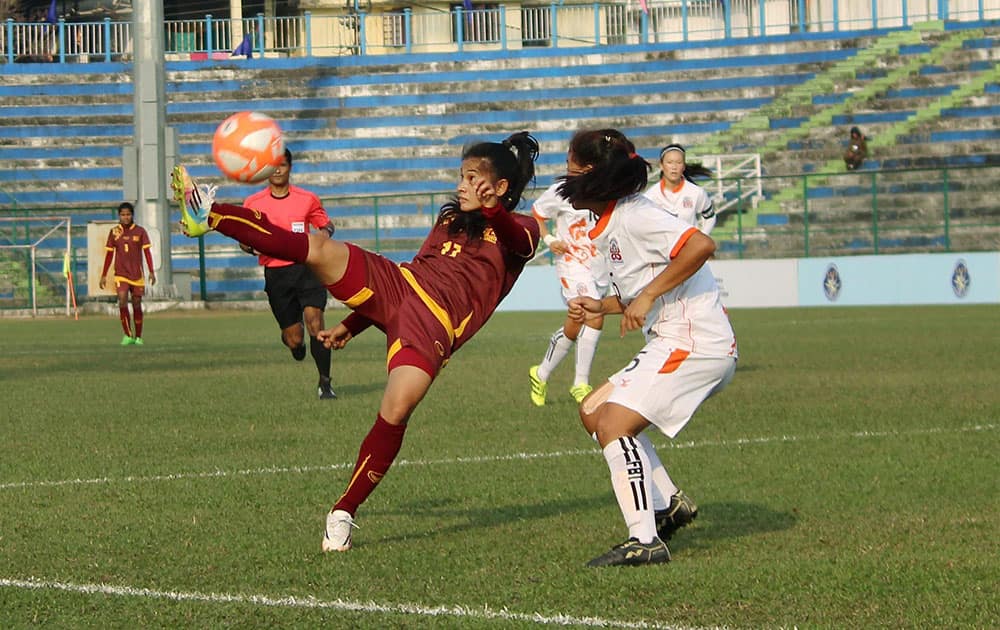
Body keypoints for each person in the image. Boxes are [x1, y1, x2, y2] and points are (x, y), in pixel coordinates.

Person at [171, 131, 540, 553]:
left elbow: (517, 237)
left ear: (501, 187)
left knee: (396, 409)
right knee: (317, 247)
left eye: (471, 178)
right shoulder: (450, 219)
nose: (460, 186)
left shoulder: (522, 233)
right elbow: (421, 269)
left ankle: (343, 510)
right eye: (461, 176)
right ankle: (210, 215)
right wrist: (354, 322)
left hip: (433, 327)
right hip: (399, 283)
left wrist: (492, 208)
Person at [558, 129, 738, 567]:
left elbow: (701, 244)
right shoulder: (606, 224)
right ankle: (669, 504)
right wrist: (600, 304)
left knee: (615, 424)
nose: (565, 174)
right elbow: (634, 290)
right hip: (670, 339)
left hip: (696, 342)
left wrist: (648, 296)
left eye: (570, 164)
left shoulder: (636, 215)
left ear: (592, 174)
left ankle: (645, 540)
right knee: (593, 412)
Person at [241, 148, 338, 400]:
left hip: (308, 267)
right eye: (272, 165)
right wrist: (247, 244)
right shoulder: (253, 204)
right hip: (276, 275)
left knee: (315, 323)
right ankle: (296, 346)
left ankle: (325, 383)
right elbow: (244, 237)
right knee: (294, 339)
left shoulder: (307, 199)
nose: (277, 170)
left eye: (282, 164)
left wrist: (322, 236)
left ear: (289, 167)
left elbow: (325, 224)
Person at [528, 181, 608, 405]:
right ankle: (581, 384)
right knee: (594, 315)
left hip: (600, 265)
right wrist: (550, 239)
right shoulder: (561, 189)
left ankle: (541, 373)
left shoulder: (608, 184)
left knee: (576, 323)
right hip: (572, 263)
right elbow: (537, 213)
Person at [99, 202, 155, 346]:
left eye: (128, 214)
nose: (125, 217)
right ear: (119, 216)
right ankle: (127, 335)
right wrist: (104, 274)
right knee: (122, 299)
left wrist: (151, 271)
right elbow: (109, 255)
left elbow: (147, 252)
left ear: (132, 215)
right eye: (123, 215)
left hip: (137, 275)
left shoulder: (140, 231)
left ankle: (139, 337)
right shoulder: (114, 232)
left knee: (137, 304)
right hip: (121, 273)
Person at [643, 143, 717, 234]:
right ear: (661, 165)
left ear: (684, 166)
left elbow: (710, 217)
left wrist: (701, 240)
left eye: (678, 163)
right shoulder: (650, 197)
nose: (674, 167)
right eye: (669, 162)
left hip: (690, 247)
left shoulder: (696, 192)